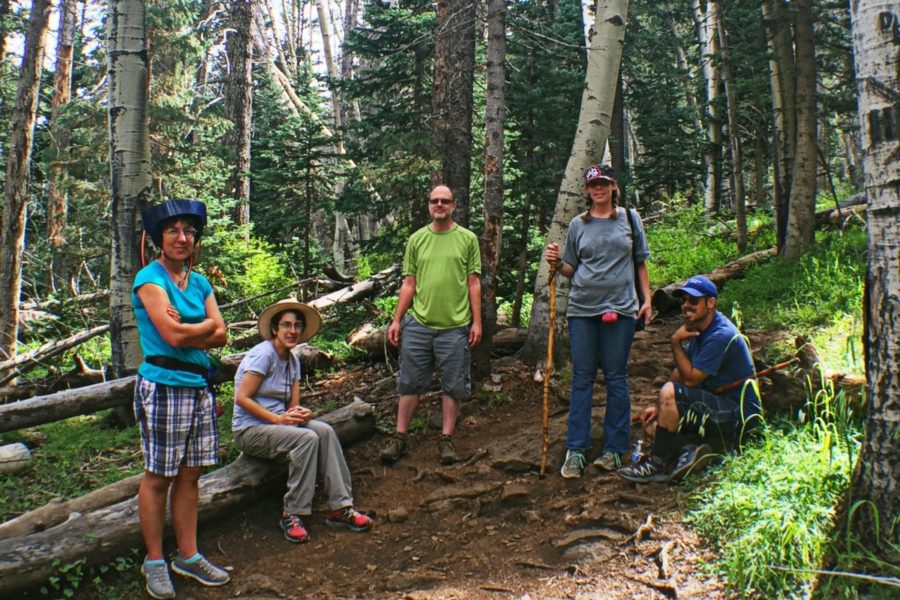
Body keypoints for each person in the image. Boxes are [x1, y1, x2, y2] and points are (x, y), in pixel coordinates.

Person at [132, 199, 230, 599]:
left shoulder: (200, 281)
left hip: (198, 387)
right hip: (164, 386)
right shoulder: (149, 279)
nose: (182, 237)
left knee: (190, 474)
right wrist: (204, 326)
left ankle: (187, 555)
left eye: (188, 231)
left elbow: (221, 334)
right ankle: (154, 560)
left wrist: (196, 325)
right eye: (172, 230)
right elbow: (170, 338)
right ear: (159, 238)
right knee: (159, 477)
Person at [232, 299, 374, 543]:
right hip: (250, 430)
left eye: (297, 325)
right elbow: (242, 398)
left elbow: (292, 407)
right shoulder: (264, 355)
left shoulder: (293, 361)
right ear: (275, 329)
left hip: (279, 426)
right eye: (286, 325)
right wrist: (278, 419)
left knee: (325, 431)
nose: (292, 331)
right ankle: (293, 511)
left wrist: (301, 414)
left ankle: (340, 506)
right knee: (307, 438)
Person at [544, 164, 652, 479]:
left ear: (612, 186)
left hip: (620, 309)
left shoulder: (630, 220)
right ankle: (575, 450)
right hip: (582, 309)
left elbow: (640, 262)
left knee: (617, 376)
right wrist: (556, 262)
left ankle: (615, 450)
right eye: (593, 185)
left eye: (603, 183)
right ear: (587, 190)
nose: (598, 189)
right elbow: (571, 269)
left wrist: (647, 300)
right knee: (582, 378)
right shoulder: (579, 224)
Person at [617, 275, 761, 483]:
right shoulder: (700, 330)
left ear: (710, 303)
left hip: (736, 415)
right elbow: (679, 374)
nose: (686, 306)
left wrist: (675, 342)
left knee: (669, 393)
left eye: (693, 301)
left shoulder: (720, 334)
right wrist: (660, 407)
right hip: (715, 408)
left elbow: (692, 380)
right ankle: (689, 451)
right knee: (653, 426)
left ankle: (657, 463)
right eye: (684, 300)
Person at [380, 184, 482, 466]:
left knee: (453, 386)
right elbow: (409, 283)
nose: (439, 205)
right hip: (419, 324)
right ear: (429, 205)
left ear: (453, 206)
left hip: (455, 326)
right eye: (435, 201)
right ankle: (399, 436)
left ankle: (446, 439)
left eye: (445, 201)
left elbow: (474, 282)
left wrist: (477, 322)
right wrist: (397, 319)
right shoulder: (417, 240)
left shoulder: (467, 239)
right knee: (409, 382)